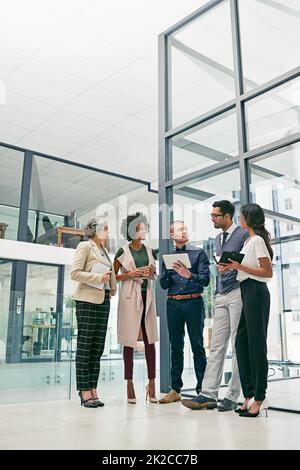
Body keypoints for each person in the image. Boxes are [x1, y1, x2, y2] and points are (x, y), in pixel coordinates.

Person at [182, 201, 249, 411]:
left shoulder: (243, 235)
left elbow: (247, 263)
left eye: (215, 215)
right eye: (211, 215)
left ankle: (232, 396)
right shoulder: (218, 238)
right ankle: (209, 394)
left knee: (237, 345)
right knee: (217, 345)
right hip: (221, 294)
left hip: (238, 291)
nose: (212, 218)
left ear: (227, 216)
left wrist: (232, 269)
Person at [221, 203, 273, 418]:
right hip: (247, 291)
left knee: (256, 344)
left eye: (241, 216)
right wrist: (230, 266)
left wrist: (238, 267)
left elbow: (267, 272)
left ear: (248, 219)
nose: (238, 219)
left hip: (256, 292)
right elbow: (246, 266)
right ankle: (249, 393)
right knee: (242, 343)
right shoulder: (249, 241)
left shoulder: (258, 240)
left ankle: (260, 397)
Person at [159, 221, 210, 404]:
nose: (184, 231)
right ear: (172, 235)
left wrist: (189, 275)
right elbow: (164, 285)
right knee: (176, 347)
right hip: (173, 304)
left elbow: (205, 280)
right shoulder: (168, 257)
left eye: (185, 228)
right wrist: (166, 272)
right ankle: (175, 390)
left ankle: (203, 390)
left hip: (194, 302)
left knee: (197, 345)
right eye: (180, 229)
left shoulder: (199, 253)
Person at [71, 217, 117, 408]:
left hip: (103, 300)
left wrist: (112, 288)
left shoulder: (104, 251)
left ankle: (93, 389)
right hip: (87, 301)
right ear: (94, 230)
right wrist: (99, 277)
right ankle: (84, 391)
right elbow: (75, 273)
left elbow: (111, 273)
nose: (107, 231)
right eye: (104, 228)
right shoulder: (85, 246)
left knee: (97, 348)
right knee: (85, 347)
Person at [114, 212, 158, 404]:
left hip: (147, 295)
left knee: (150, 339)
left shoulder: (150, 251)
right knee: (129, 340)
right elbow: (112, 276)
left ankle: (152, 383)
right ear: (132, 230)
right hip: (129, 297)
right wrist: (130, 273)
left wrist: (151, 272)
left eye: (145, 227)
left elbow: (154, 273)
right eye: (141, 228)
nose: (144, 230)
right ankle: (129, 383)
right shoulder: (122, 251)